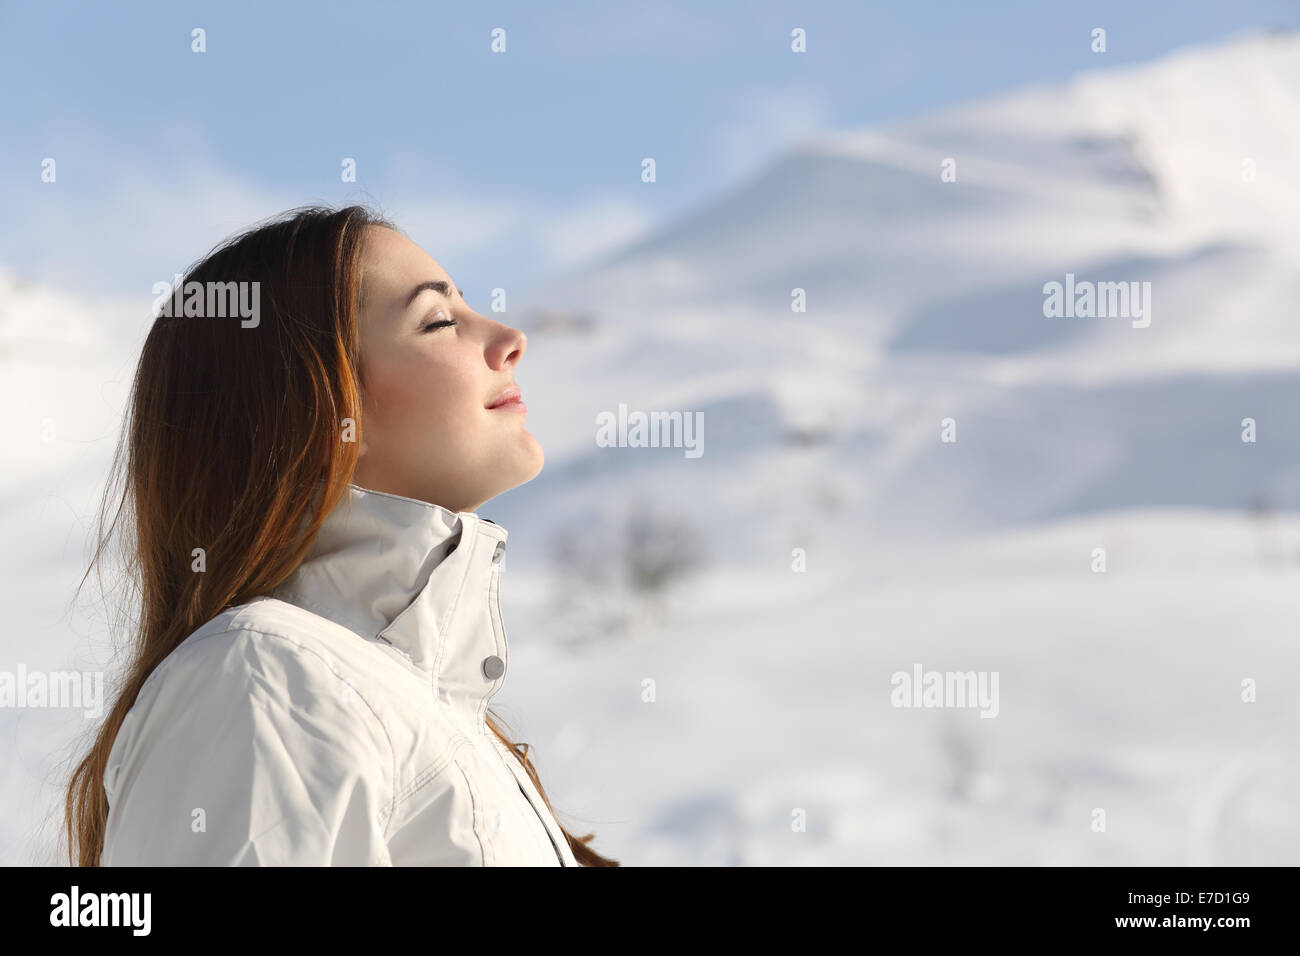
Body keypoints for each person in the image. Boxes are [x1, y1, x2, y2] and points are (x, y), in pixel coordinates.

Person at [63, 204, 618, 866]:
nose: (509, 337)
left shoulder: (412, 709)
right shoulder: (265, 678)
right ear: (316, 409)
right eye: (438, 321)